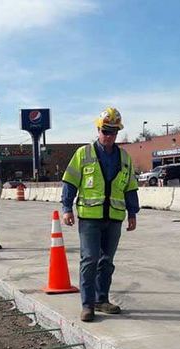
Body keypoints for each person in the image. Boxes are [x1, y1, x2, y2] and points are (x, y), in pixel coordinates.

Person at [61, 107, 139, 322]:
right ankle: (87, 305)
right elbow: (70, 181)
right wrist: (67, 208)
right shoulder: (83, 154)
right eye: (105, 131)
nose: (109, 136)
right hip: (90, 218)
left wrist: (133, 213)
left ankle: (101, 299)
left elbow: (130, 186)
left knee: (107, 261)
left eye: (113, 132)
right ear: (98, 130)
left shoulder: (124, 157)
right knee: (90, 259)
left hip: (114, 218)